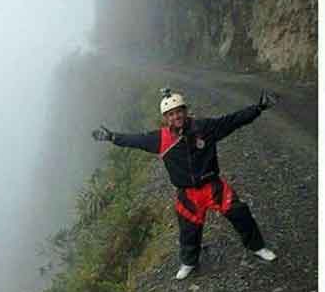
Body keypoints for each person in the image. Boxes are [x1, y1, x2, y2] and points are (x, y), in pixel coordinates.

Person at [93, 89, 278, 280]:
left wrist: (259, 108)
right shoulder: (160, 139)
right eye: (171, 114)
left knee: (240, 213)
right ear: (165, 118)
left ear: (185, 111)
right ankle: (189, 262)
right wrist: (112, 137)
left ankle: (258, 247)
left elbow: (232, 121)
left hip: (213, 185)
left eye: (179, 111)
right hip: (188, 194)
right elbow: (135, 140)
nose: (176, 116)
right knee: (189, 230)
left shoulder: (204, 128)